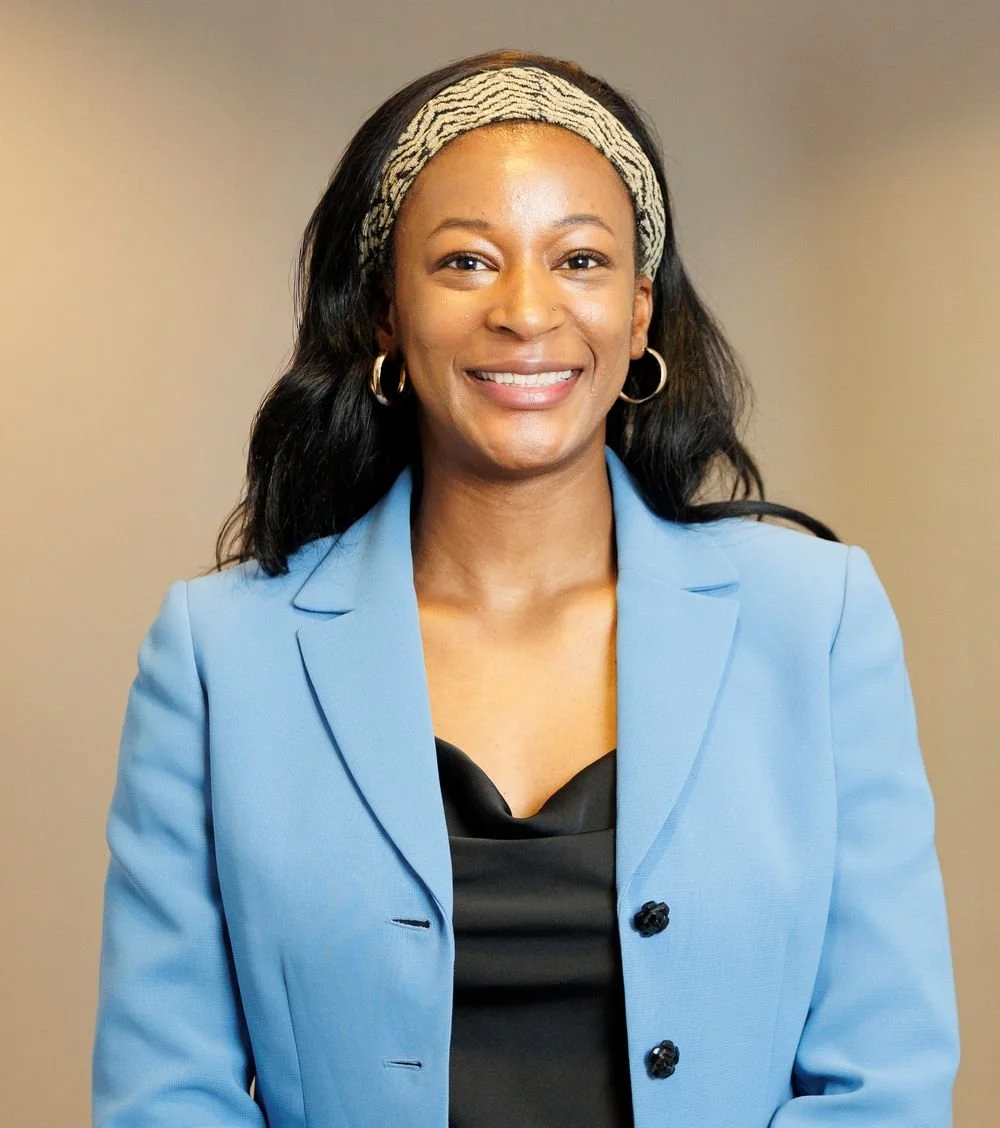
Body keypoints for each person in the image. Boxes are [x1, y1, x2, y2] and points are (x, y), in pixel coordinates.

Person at [92, 49, 960, 1128]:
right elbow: (167, 1095)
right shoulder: (218, 655)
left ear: (639, 313)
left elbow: (883, 1079)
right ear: (383, 315)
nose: (526, 310)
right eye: (464, 262)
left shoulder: (815, 619)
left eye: (581, 260)